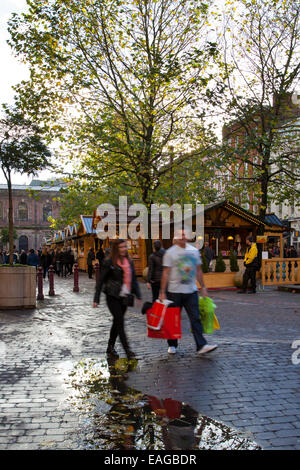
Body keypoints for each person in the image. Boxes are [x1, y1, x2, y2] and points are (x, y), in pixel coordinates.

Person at [159, 229, 218, 356]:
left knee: (195, 318)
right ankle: (172, 344)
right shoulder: (170, 253)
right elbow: (165, 272)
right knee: (173, 319)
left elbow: (198, 270)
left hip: (191, 291)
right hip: (174, 291)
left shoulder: (194, 251)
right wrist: (162, 291)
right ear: (175, 239)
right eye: (180, 236)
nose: (183, 237)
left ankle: (201, 345)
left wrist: (203, 286)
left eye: (185, 235)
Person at [93, 239, 142, 359]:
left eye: (125, 247)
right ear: (116, 249)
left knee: (116, 322)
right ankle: (128, 350)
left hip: (125, 296)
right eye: (121, 247)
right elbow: (101, 281)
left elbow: (133, 280)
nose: (124, 249)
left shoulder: (129, 261)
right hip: (112, 295)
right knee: (120, 322)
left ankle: (110, 347)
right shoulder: (109, 262)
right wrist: (96, 298)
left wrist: (138, 294)